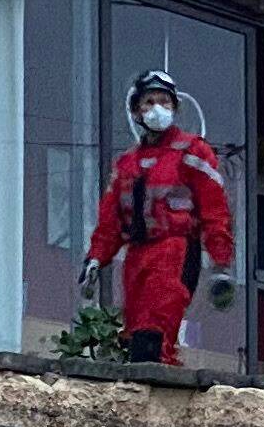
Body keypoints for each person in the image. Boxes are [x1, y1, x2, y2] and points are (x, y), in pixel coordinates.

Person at [83, 70, 236, 366]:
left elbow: (214, 211)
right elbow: (110, 221)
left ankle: (160, 380)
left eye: (164, 101)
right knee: (135, 330)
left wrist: (221, 262)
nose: (157, 108)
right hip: (137, 255)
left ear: (174, 107)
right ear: (137, 111)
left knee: (156, 327)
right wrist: (95, 259)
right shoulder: (127, 164)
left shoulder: (193, 151)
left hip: (175, 249)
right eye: (149, 102)